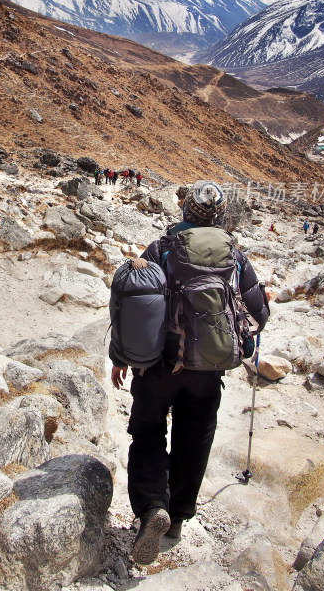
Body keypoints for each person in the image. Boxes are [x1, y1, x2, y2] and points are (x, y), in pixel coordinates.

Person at [111, 180, 270, 565]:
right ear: (220, 216)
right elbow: (259, 314)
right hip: (208, 369)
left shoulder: (162, 248)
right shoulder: (235, 256)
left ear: (185, 211)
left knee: (147, 432)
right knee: (195, 436)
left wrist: (121, 357)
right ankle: (178, 517)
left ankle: (153, 506)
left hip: (159, 365)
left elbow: (134, 304)